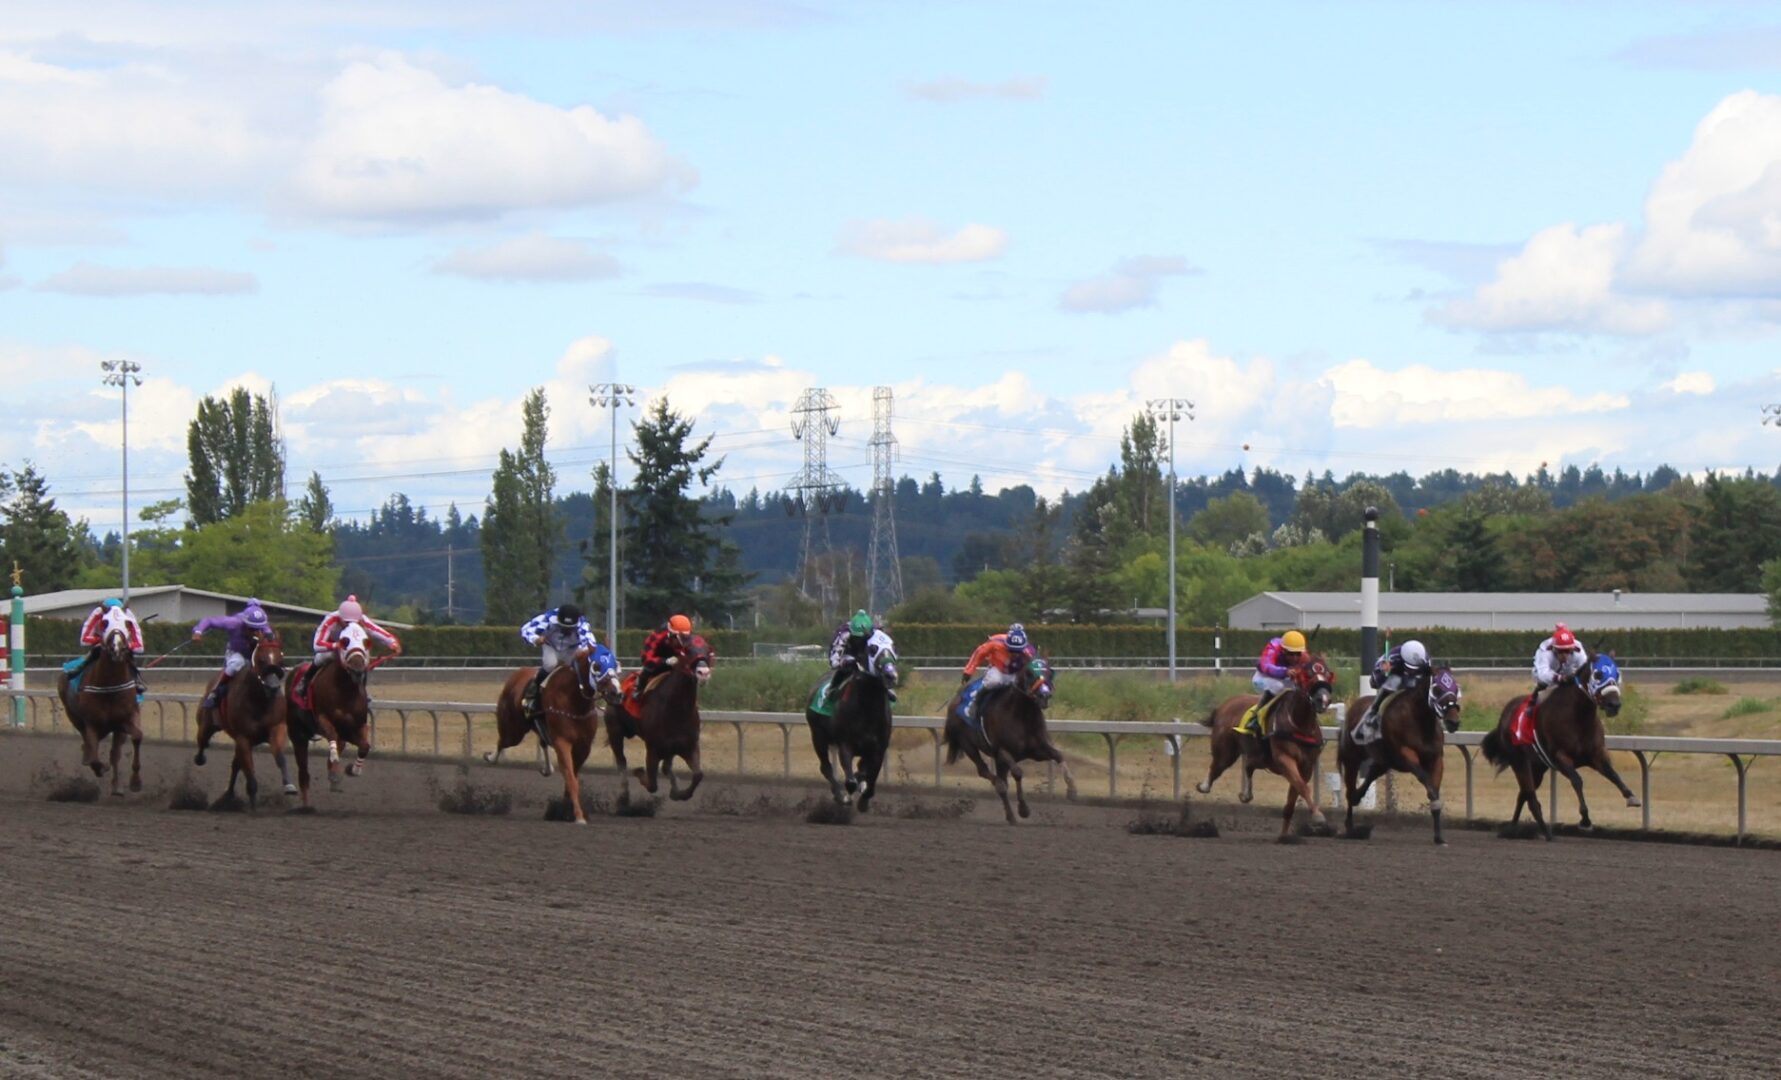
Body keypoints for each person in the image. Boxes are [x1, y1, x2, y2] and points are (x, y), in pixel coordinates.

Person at [518, 603, 618, 721]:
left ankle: (589, 700)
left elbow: (590, 643)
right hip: (551, 646)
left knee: (581, 668)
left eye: (570, 628)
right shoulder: (548, 618)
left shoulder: (582, 624)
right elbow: (526, 630)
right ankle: (532, 695)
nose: (567, 630)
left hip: (572, 649)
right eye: (564, 627)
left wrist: (584, 651)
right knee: (550, 664)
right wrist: (535, 639)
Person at [294, 594, 401, 698]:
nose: (351, 625)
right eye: (347, 622)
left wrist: (393, 643)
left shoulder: (362, 619)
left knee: (362, 661)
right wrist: (336, 645)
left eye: (354, 622)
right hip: (333, 647)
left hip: (352, 650)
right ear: (340, 618)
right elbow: (317, 644)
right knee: (321, 657)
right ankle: (305, 681)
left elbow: (380, 632)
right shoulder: (331, 619)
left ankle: (362, 690)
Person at [192, 601, 275, 710]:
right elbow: (209, 620)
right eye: (252, 628)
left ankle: (274, 691)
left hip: (253, 652)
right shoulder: (233, 622)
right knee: (236, 664)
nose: (256, 632)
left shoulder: (262, 626)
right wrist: (198, 631)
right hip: (236, 652)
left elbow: (270, 635)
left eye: (259, 628)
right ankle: (216, 692)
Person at [1351, 639, 1430, 745]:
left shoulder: (1425, 661)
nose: (1412, 670)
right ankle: (1372, 716)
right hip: (1394, 679)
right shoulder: (1391, 658)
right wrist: (1383, 673)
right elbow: (1373, 683)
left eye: (1415, 668)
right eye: (1409, 667)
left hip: (1413, 682)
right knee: (1394, 681)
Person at [1238, 630, 1308, 741]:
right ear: (1283, 650)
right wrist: (1284, 671)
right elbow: (1266, 666)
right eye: (1291, 654)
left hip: (1284, 678)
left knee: (1297, 690)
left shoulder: (1302, 653)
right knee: (1278, 686)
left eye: (1297, 654)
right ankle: (1255, 718)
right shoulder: (1274, 647)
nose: (1295, 658)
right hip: (1263, 677)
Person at [960, 623, 1034, 727]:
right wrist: (968, 671)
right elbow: (979, 653)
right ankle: (976, 702)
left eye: (1018, 651)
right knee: (994, 681)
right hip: (997, 669)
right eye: (1012, 650)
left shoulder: (1029, 650)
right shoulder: (995, 642)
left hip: (1014, 672)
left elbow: (1033, 665)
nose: (1015, 654)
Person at [72, 597, 147, 692]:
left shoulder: (127, 614)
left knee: (128, 654)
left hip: (122, 645)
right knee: (96, 651)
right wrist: (101, 640)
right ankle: (78, 673)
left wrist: (126, 645)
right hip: (102, 645)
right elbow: (84, 640)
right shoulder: (98, 613)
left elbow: (139, 647)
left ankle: (136, 680)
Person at [823, 610, 897, 705]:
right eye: (857, 637)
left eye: (864, 637)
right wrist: (842, 662)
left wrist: (887, 667)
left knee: (876, 665)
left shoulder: (877, 632)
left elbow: (886, 650)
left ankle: (887, 687)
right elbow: (834, 659)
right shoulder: (843, 633)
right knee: (849, 666)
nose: (860, 640)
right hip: (849, 652)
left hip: (865, 653)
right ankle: (832, 688)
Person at [636, 614, 695, 698]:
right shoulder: (657, 636)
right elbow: (646, 659)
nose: (681, 642)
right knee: (646, 671)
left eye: (684, 638)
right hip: (657, 666)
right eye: (677, 637)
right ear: (670, 632)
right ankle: (639, 691)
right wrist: (665, 661)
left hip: (678, 666)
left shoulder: (691, 640)